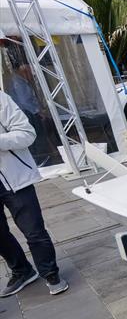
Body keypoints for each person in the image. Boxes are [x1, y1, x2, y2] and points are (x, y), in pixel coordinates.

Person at [0, 90, 68, 297]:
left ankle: (50, 273)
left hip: (13, 178)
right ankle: (22, 271)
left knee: (33, 231)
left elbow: (26, 133)